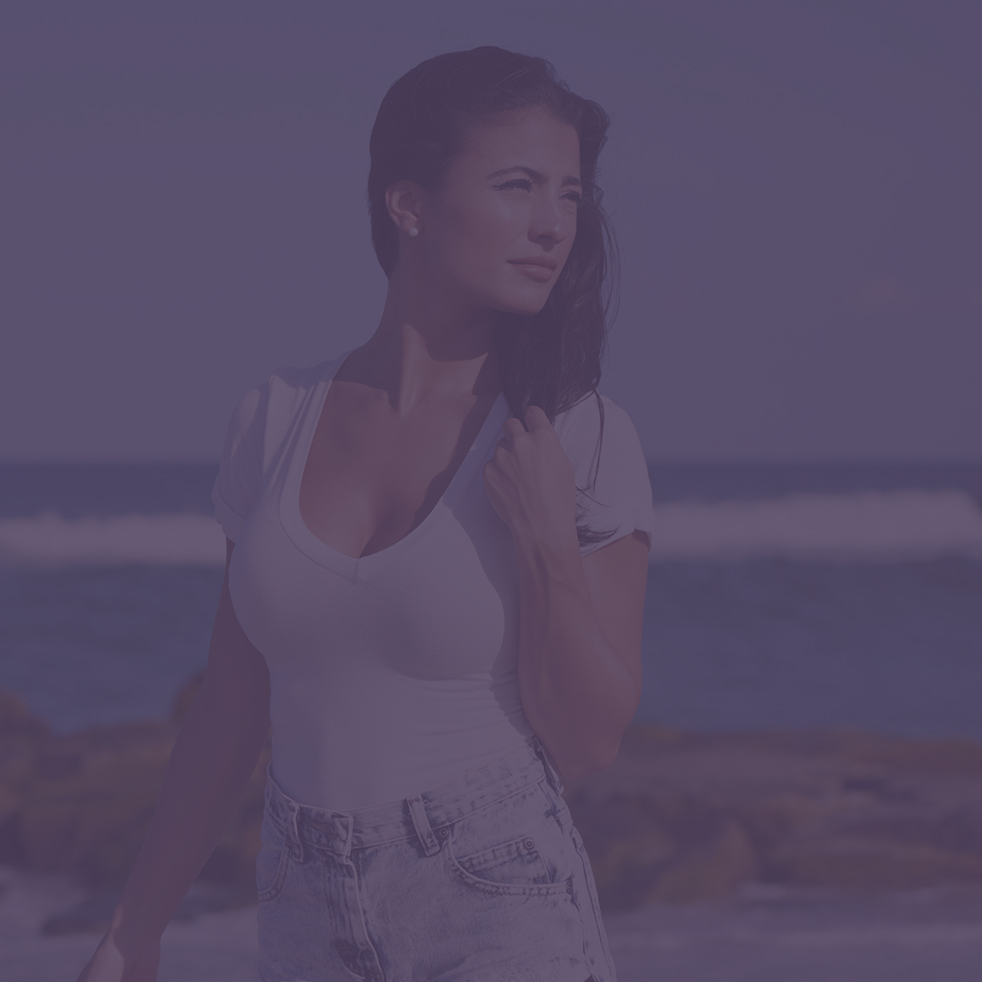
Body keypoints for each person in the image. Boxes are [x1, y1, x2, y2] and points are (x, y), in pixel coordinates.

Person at [77, 45, 655, 982]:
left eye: (570, 196)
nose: (553, 225)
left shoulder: (578, 436)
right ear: (409, 203)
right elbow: (232, 700)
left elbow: (590, 740)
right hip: (301, 905)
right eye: (518, 187)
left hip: (495, 894)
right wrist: (133, 931)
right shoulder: (273, 417)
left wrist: (548, 540)